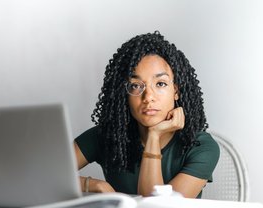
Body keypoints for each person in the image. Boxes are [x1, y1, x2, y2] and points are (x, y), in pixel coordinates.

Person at [74, 31, 220, 198]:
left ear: (176, 91)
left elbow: (155, 206)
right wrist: (95, 184)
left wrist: (154, 136)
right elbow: (42, 173)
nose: (148, 97)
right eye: (136, 85)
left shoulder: (201, 146)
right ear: (125, 94)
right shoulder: (107, 135)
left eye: (160, 83)